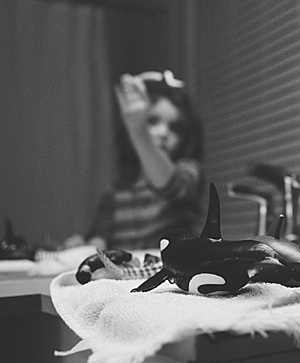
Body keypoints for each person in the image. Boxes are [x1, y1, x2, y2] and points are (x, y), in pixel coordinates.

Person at [65, 70, 206, 251]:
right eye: (153, 120)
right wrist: (86, 247)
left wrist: (140, 131)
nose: (163, 133)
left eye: (175, 127)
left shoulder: (190, 172)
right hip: (124, 276)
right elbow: (100, 235)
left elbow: (172, 186)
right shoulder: (115, 192)